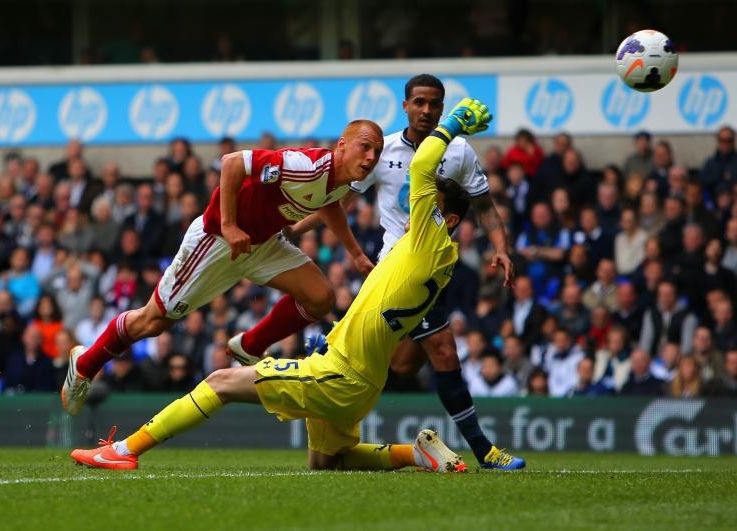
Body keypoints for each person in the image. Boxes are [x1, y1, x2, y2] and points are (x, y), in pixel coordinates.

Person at [70, 99, 520, 473]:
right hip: (357, 372)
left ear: (447, 218)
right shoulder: (441, 258)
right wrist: (353, 252)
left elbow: (421, 164)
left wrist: (455, 125)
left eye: (429, 203)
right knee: (328, 459)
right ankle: (415, 452)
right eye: (366, 148)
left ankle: (124, 451)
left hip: (335, 365)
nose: (411, 201)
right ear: (343, 145)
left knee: (221, 381)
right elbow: (247, 171)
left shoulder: (420, 239)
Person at [61, 120, 381, 415]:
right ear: (341, 145)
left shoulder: (343, 181)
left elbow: (330, 205)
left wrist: (354, 252)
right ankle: (86, 364)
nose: (370, 157)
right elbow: (232, 163)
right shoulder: (304, 166)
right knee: (152, 321)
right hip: (217, 241)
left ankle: (249, 346)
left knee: (321, 296)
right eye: (364, 147)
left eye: (377, 152)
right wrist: (228, 224)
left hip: (262, 243)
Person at [287, 75, 518, 470]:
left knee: (404, 364)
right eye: (419, 102)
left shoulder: (459, 151)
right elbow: (336, 198)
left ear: (443, 110)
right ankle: (485, 451)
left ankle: (324, 349)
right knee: (444, 351)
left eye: (434, 104)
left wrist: (500, 248)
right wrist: (292, 228)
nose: (427, 110)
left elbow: (482, 206)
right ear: (405, 106)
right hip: (398, 267)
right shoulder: (384, 150)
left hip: (434, 265)